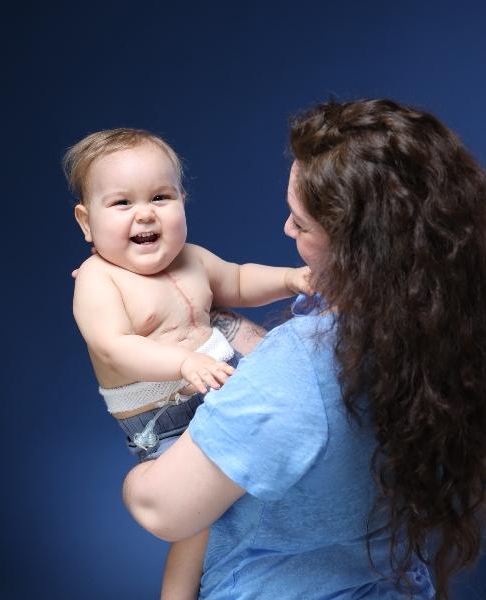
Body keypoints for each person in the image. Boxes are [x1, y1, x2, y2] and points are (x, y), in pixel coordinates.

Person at [122, 99, 486, 599]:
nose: (286, 229)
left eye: (301, 224)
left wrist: (142, 470)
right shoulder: (435, 328)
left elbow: (161, 509)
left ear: (358, 248)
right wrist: (191, 311)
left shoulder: (301, 366)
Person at [64, 128, 311, 599]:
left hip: (219, 381)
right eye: (122, 203)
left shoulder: (191, 259)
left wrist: (289, 279)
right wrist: (182, 362)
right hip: (166, 417)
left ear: (183, 200)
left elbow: (238, 280)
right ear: (86, 222)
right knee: (198, 520)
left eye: (161, 197)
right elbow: (114, 346)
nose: (145, 213)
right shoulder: (98, 280)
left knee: (269, 474)